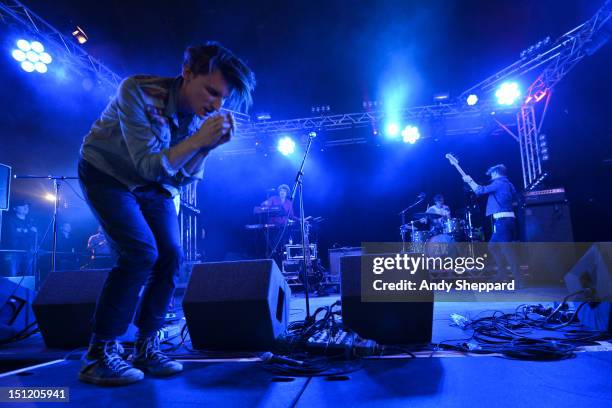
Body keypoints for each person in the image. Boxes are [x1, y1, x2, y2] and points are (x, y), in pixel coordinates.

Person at [77, 42, 255, 386]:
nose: (216, 105)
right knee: (140, 252)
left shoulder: (200, 119)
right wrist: (197, 140)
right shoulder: (138, 91)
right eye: (211, 92)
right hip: (106, 172)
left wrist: (207, 146)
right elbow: (147, 164)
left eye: (223, 99)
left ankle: (145, 346)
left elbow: (182, 177)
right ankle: (98, 354)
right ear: (187, 73)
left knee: (172, 255)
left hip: (153, 183)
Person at [463, 164, 523, 287]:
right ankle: (503, 275)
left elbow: (480, 190)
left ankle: (519, 281)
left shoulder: (499, 182)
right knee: (492, 246)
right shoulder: (509, 184)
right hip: (508, 219)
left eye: (491, 174)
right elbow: (516, 201)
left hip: (502, 220)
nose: (491, 176)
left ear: (495, 173)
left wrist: (470, 181)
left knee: (507, 251)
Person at [1, 200, 36, 277]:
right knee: (12, 275)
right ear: (15, 208)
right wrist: (29, 232)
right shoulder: (10, 220)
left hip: (28, 252)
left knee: (27, 277)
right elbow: (12, 235)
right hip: (14, 252)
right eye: (22, 205)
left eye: (27, 206)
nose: (26, 207)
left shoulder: (30, 221)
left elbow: (35, 236)